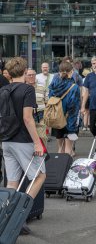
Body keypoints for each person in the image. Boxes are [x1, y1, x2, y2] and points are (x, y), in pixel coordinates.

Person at [1, 57, 46, 235]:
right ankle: (21, 213)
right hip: (23, 140)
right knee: (39, 176)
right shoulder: (27, 90)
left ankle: (6, 215)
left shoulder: (3, 90)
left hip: (7, 140)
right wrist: (37, 142)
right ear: (25, 71)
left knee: (12, 181)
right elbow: (28, 118)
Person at [49, 61, 81, 156]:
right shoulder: (74, 87)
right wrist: (72, 129)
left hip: (56, 118)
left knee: (60, 148)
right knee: (68, 150)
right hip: (69, 120)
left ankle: (59, 170)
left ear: (59, 72)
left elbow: (50, 99)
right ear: (71, 72)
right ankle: (67, 170)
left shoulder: (54, 85)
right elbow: (74, 108)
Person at [25, 68, 49, 145]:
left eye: (33, 75)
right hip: (27, 116)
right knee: (28, 138)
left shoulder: (42, 87)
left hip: (40, 115)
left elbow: (47, 102)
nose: (31, 76)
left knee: (42, 137)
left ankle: (43, 155)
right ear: (25, 76)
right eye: (29, 75)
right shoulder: (22, 87)